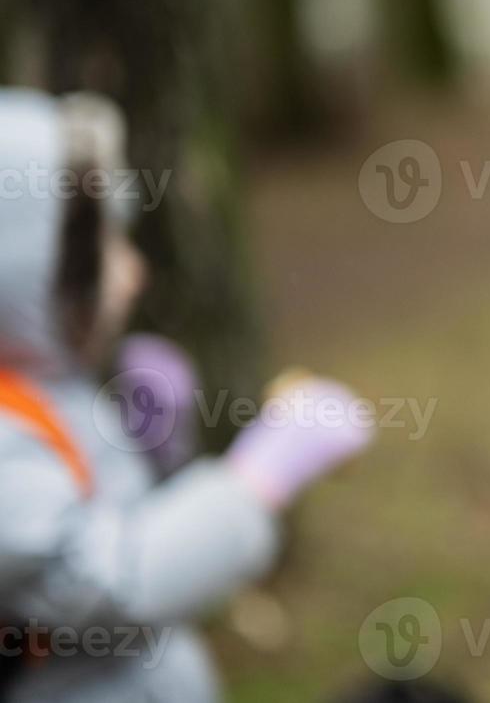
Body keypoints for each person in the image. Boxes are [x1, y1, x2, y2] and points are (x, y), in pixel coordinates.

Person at [0, 89, 374, 702]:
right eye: (106, 246)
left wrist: (154, 452)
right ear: (26, 267)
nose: (134, 271)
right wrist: (254, 481)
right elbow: (102, 584)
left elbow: (98, 521)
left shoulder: (44, 386)